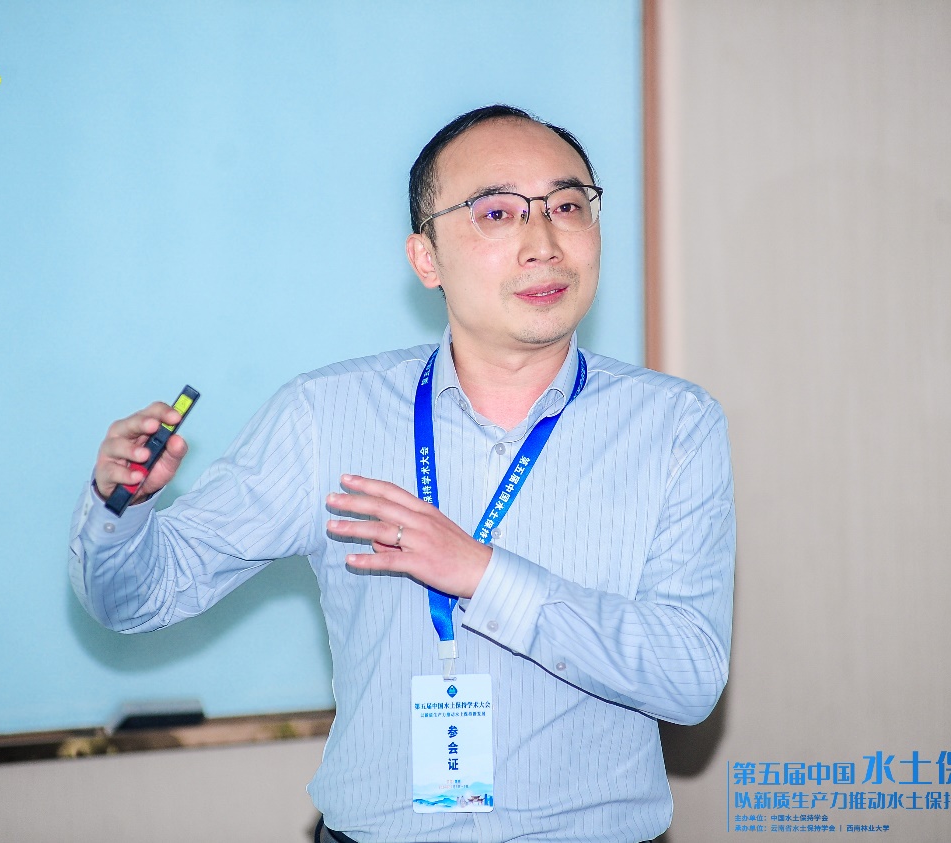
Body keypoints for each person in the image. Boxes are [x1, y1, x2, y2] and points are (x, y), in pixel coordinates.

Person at [69, 104, 735, 843]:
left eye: (567, 206)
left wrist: (482, 574)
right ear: (426, 259)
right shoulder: (325, 415)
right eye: (497, 213)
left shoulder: (674, 426)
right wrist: (119, 506)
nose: (543, 243)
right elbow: (138, 598)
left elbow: (690, 678)